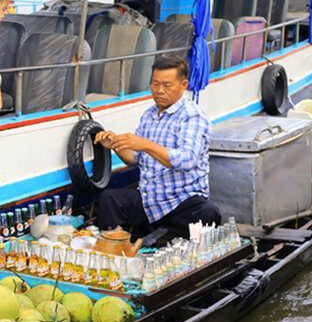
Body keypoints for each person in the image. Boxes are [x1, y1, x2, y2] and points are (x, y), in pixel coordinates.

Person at [94, 54, 221, 238]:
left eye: (167, 85)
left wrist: (144, 144)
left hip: (181, 202)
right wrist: (115, 145)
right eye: (155, 84)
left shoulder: (193, 116)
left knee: (208, 212)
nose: (159, 90)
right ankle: (114, 250)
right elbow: (135, 159)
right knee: (110, 199)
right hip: (150, 200)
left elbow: (187, 160)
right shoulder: (149, 115)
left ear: (183, 85)